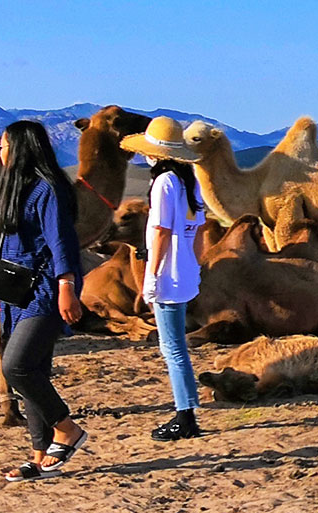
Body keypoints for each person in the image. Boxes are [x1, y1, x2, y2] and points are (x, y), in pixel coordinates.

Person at [0, 120, 89, 482]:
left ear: (20, 148)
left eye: (3, 145)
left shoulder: (49, 190)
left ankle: (67, 429)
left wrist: (67, 285)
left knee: (15, 366)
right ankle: (38, 454)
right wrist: (1, 289)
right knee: (34, 370)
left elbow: (61, 241)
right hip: (18, 292)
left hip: (46, 289)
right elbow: (10, 244)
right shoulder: (18, 189)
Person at [121, 116, 210, 441]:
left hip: (169, 275)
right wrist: (195, 264)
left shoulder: (163, 184)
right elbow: (199, 230)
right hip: (184, 270)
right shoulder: (190, 182)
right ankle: (186, 411)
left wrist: (152, 276)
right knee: (176, 346)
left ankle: (185, 416)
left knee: (172, 347)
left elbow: (159, 232)